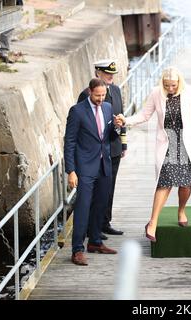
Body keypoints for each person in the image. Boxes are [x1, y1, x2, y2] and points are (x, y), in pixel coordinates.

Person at [115, 66, 191, 241]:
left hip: (187, 143)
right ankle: (152, 223)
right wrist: (126, 120)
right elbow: (144, 114)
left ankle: (181, 211)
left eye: (173, 85)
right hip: (167, 143)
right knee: (164, 182)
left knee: (185, 183)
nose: (170, 89)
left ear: (179, 82)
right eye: (167, 85)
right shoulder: (156, 92)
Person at [64, 78, 117, 266]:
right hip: (85, 167)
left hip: (104, 165)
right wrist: (71, 170)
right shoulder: (77, 111)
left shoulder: (108, 108)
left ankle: (95, 242)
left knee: (100, 205)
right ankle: (77, 249)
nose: (100, 99)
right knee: (83, 207)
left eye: (103, 95)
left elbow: (108, 136)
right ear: (90, 91)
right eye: (97, 95)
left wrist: (117, 127)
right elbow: (69, 142)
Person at [77, 59, 126, 239]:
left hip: (113, 148)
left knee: (109, 188)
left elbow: (121, 116)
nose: (110, 77)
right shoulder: (86, 95)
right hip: (96, 152)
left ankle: (105, 222)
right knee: (95, 191)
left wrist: (124, 143)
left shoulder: (116, 90)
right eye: (107, 74)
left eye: (112, 75)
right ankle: (92, 226)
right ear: (98, 73)